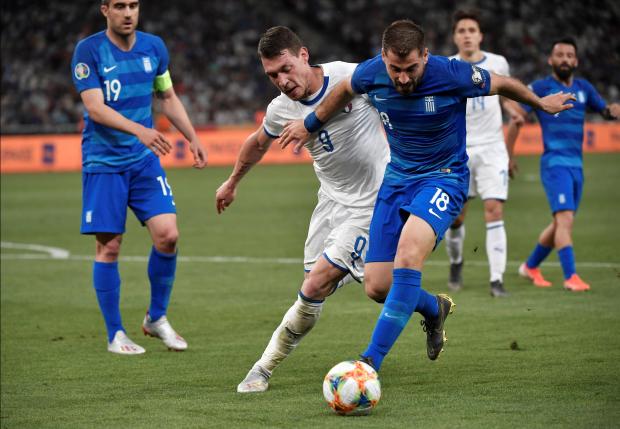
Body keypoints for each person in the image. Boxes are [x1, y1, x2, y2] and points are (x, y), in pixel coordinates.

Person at [280, 20, 573, 372]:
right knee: (376, 285)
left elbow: (503, 83)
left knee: (407, 256)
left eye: (411, 69)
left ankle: (368, 363)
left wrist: (540, 103)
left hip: (444, 178)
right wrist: (310, 124)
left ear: (426, 56)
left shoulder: (452, 74)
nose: (402, 78)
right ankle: (434, 308)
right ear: (384, 58)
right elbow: (343, 89)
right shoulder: (372, 72)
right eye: (395, 69)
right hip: (397, 181)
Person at [215, 26, 389, 393]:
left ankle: (262, 368)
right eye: (272, 75)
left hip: (371, 203)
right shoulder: (280, 109)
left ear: (304, 55)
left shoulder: (350, 76)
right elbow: (257, 143)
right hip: (329, 204)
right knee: (342, 289)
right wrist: (232, 182)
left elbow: (399, 89)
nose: (282, 80)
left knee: (315, 283)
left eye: (286, 68)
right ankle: (428, 306)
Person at [71, 0, 207, 355]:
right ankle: (115, 333)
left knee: (168, 236)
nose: (128, 12)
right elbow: (95, 108)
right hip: (104, 162)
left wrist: (192, 136)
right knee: (109, 246)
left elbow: (167, 96)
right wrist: (140, 131)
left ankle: (155, 318)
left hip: (143, 162)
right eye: (119, 6)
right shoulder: (89, 51)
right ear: (105, 10)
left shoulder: (154, 48)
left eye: (133, 5)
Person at [506, 37, 619, 292]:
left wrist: (613, 110)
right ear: (550, 59)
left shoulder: (584, 88)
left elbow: (604, 111)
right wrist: (509, 155)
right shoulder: (541, 87)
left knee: (561, 223)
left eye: (570, 55)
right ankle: (571, 277)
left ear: (576, 61)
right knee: (565, 219)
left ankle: (530, 266)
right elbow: (516, 119)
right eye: (560, 55)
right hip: (554, 164)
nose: (565, 59)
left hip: (576, 166)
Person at [445, 10, 523, 297]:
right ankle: (456, 263)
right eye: (461, 30)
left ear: (480, 35)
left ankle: (496, 280)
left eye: (471, 30)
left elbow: (505, 96)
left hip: (492, 148)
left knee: (494, 209)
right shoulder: (449, 66)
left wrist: (514, 112)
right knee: (456, 218)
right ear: (455, 37)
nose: (467, 34)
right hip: (459, 150)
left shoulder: (497, 62)